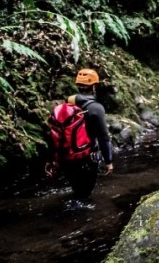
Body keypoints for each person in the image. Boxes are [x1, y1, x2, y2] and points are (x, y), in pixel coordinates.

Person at [48, 68, 113, 200]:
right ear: (94, 86)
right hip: (87, 157)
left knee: (77, 190)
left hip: (67, 157)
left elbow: (59, 129)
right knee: (85, 195)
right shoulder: (96, 108)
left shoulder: (69, 101)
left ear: (78, 85)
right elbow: (104, 138)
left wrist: (51, 158)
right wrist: (108, 161)